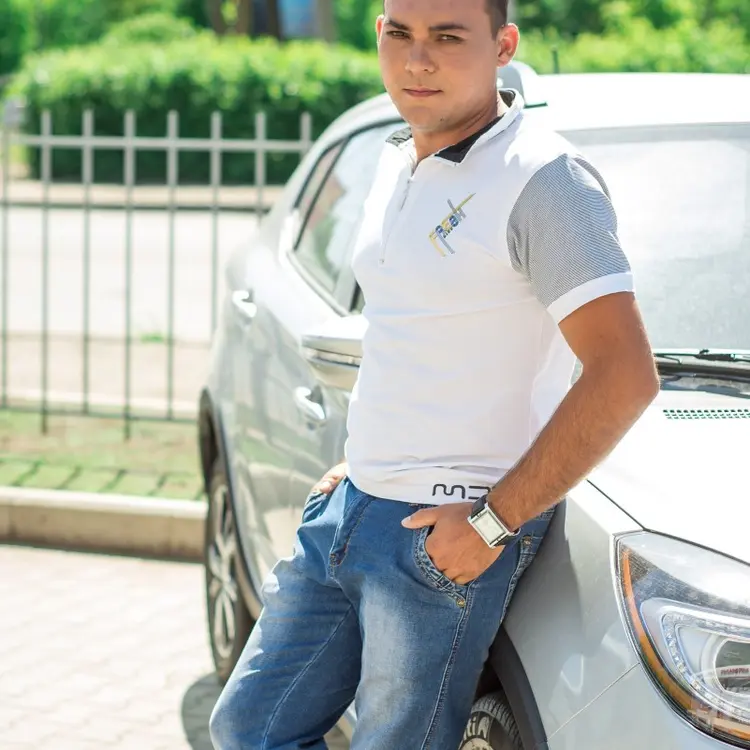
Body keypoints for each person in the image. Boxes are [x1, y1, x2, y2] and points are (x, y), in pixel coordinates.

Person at [209, 0, 660, 747]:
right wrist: (365, 460)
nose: (418, 59)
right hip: (353, 507)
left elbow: (624, 374)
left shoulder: (543, 179)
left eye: (448, 37)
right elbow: (416, 328)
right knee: (248, 727)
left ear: (503, 45)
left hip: (445, 534)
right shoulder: (397, 157)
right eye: (400, 34)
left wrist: (491, 524)